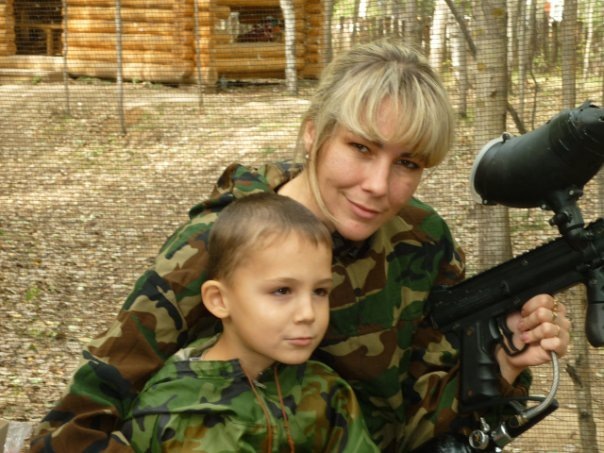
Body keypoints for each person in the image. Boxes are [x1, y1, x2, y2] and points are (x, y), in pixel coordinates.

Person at [30, 39, 571, 452]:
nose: (378, 185)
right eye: (361, 148)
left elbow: (412, 425)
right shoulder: (220, 243)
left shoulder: (421, 240)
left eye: (407, 163)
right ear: (314, 134)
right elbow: (75, 425)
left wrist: (501, 365)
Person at [121, 193, 379, 452]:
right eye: (282, 291)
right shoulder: (175, 413)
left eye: (320, 291)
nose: (308, 313)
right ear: (219, 300)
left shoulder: (325, 392)